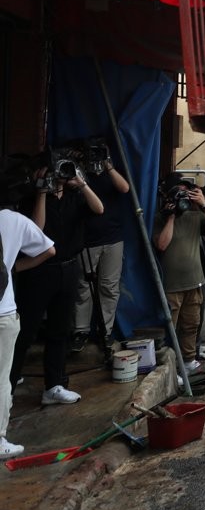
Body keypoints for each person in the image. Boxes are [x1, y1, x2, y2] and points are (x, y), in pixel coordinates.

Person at [11, 162, 103, 406]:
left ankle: (54, 385)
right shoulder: (33, 198)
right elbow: (36, 230)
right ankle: (8, 384)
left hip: (69, 266)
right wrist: (42, 191)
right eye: (54, 171)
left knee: (60, 330)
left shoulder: (75, 196)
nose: (59, 177)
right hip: (39, 271)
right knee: (26, 330)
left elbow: (99, 208)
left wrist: (81, 183)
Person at [0, 208, 55, 458]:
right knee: (1, 379)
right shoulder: (13, 219)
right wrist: (14, 268)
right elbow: (49, 249)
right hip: (4, 310)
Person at [153, 174, 205, 375]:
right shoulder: (159, 218)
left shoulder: (196, 217)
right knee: (170, 328)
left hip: (195, 281)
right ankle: (170, 367)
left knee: (191, 325)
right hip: (172, 285)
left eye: (187, 193)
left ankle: (188, 360)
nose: (183, 196)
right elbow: (161, 244)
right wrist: (171, 216)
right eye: (179, 192)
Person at [71, 155, 130, 352]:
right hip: (87, 239)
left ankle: (106, 329)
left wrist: (108, 166)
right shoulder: (79, 175)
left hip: (113, 237)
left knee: (109, 286)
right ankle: (81, 330)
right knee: (83, 286)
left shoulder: (110, 174)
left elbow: (125, 188)